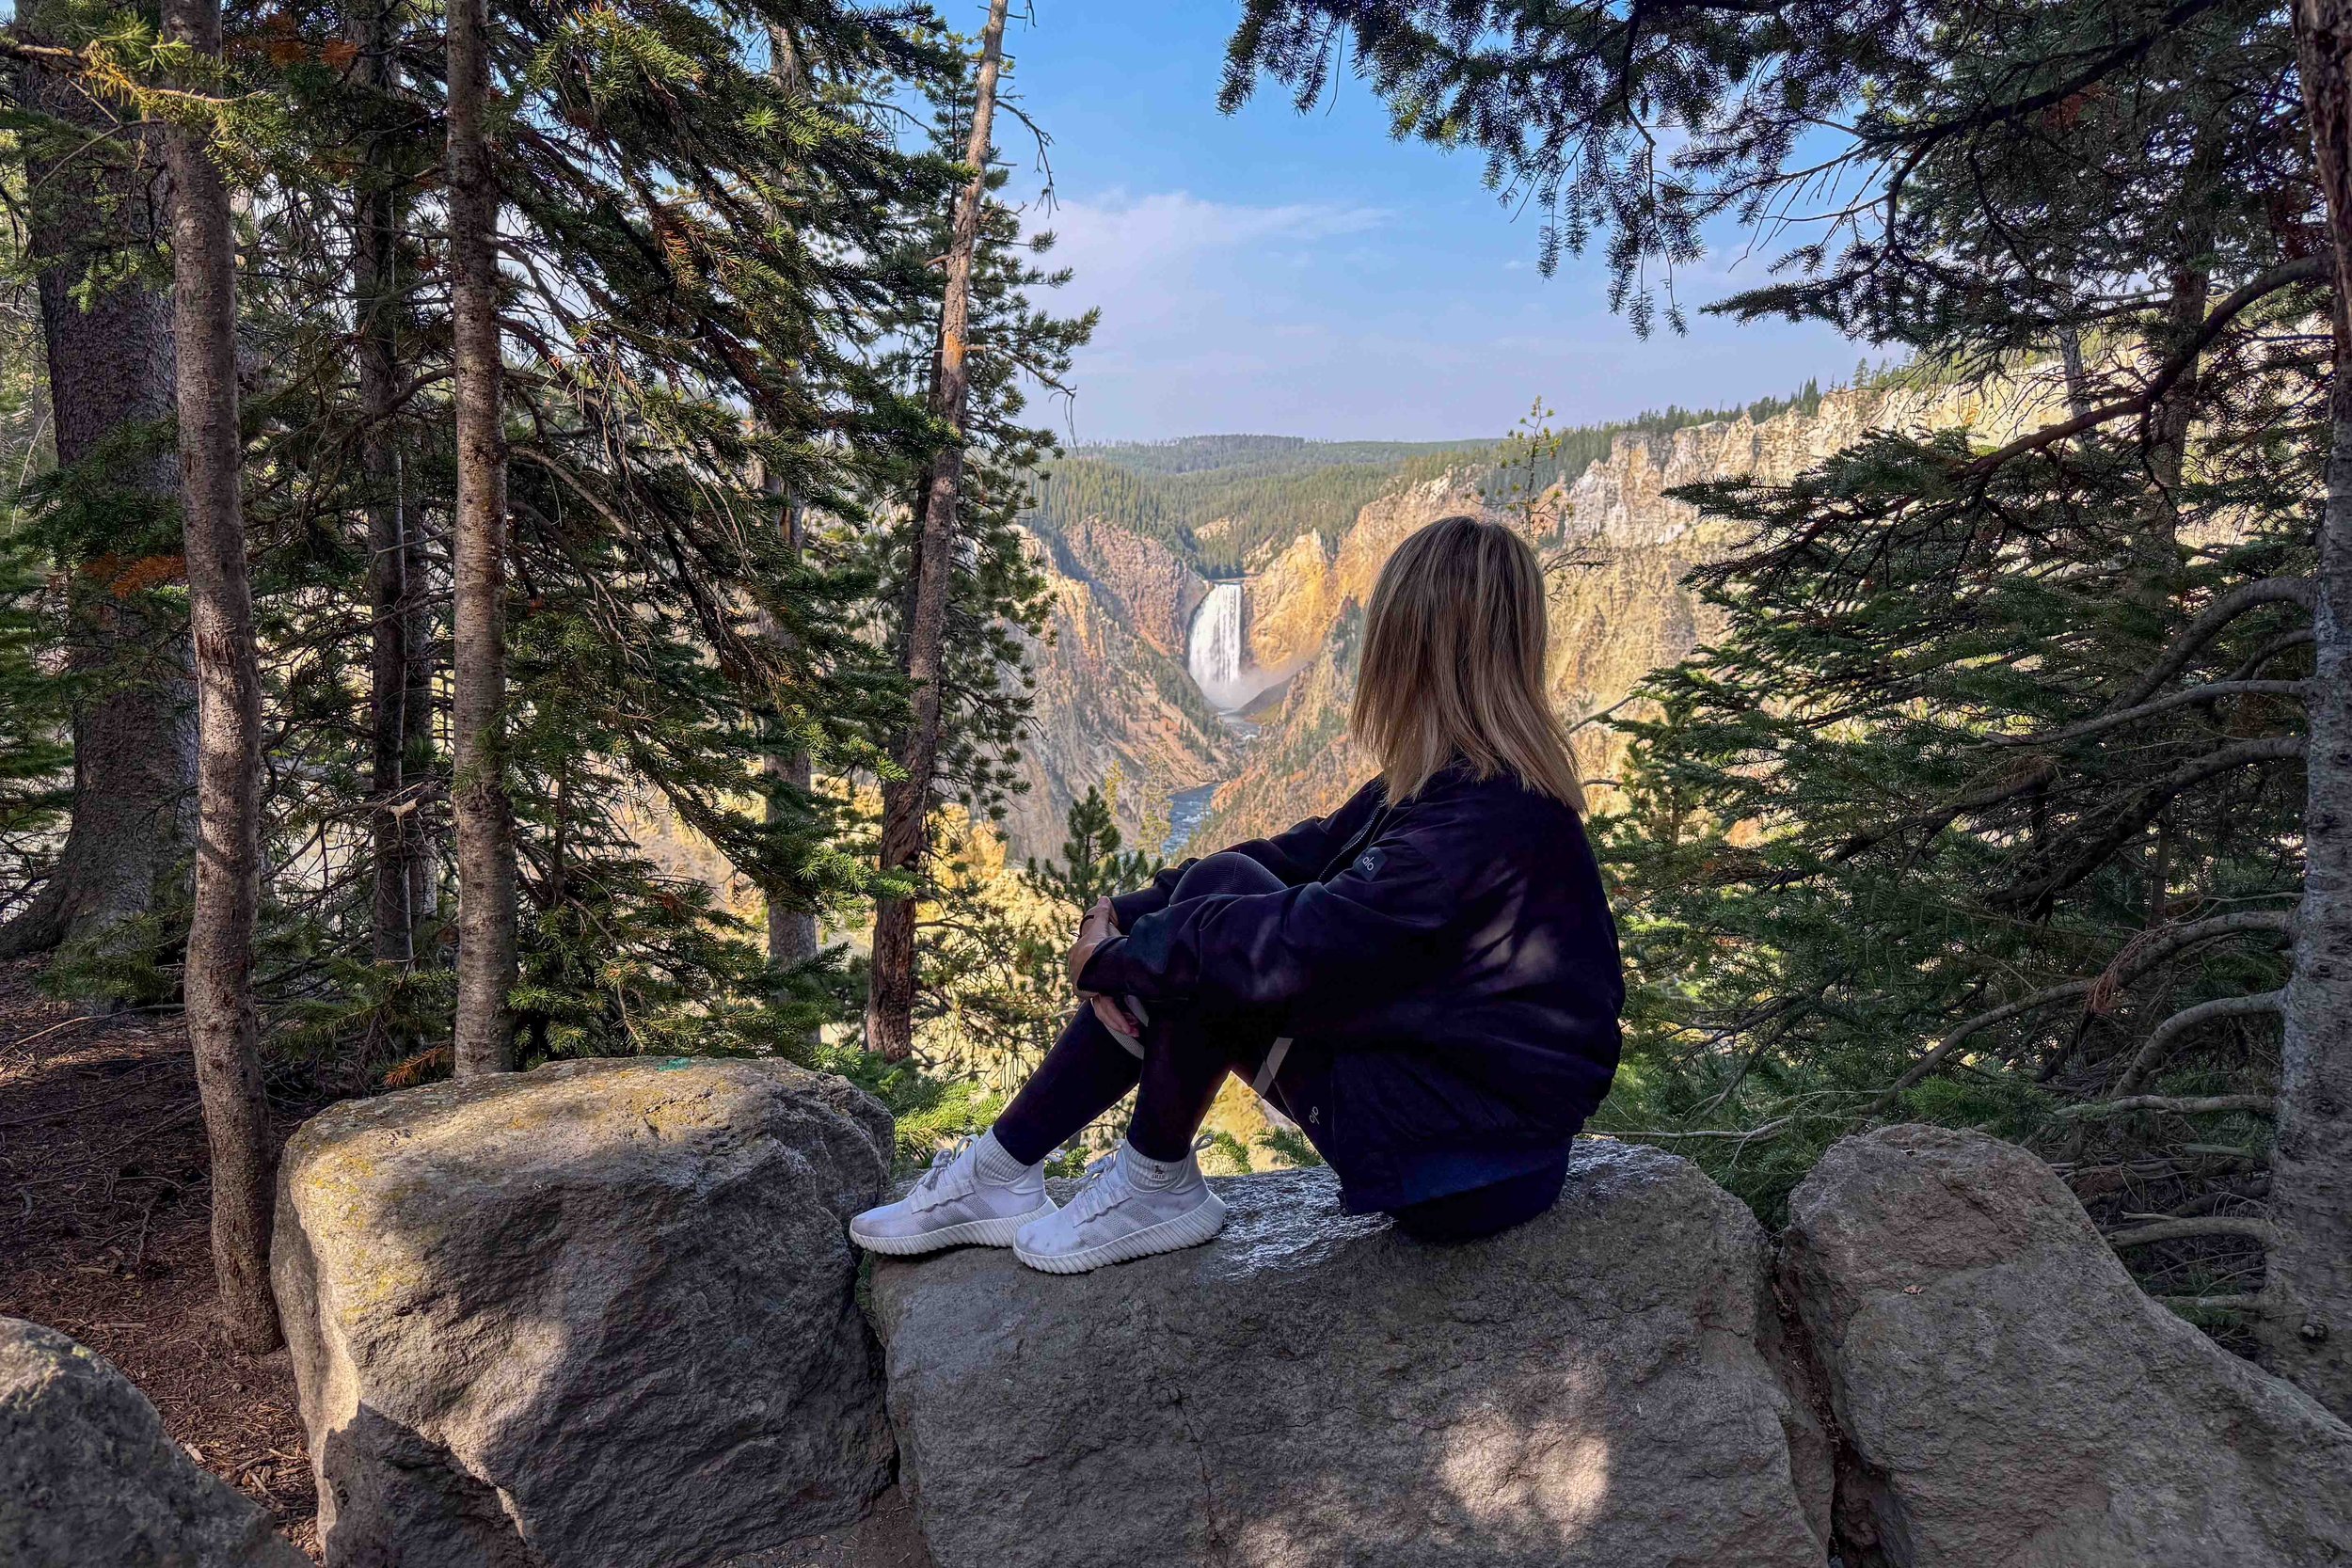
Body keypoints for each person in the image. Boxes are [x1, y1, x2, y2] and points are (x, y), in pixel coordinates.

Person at [850, 515, 1625, 1274]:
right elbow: (1300, 854)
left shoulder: (1471, 828)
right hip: (1466, 1134)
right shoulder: (1470, 789)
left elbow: (1285, 948)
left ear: (1413, 654)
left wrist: (1118, 960)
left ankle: (1136, 1178)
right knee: (1218, 907)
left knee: (1224, 946)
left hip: (1461, 1169)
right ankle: (1010, 1168)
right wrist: (1129, 911)